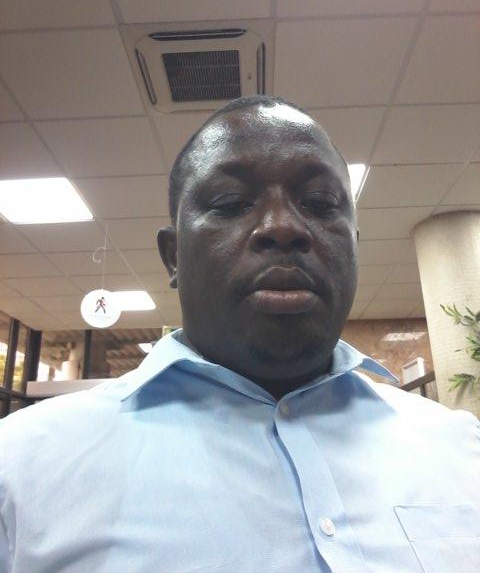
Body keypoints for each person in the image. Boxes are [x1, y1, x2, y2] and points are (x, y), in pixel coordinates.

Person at [0, 95, 478, 573]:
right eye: (230, 203)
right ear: (173, 257)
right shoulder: (21, 466)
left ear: (353, 247)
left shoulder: (460, 448)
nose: (283, 227)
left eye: (319, 203)